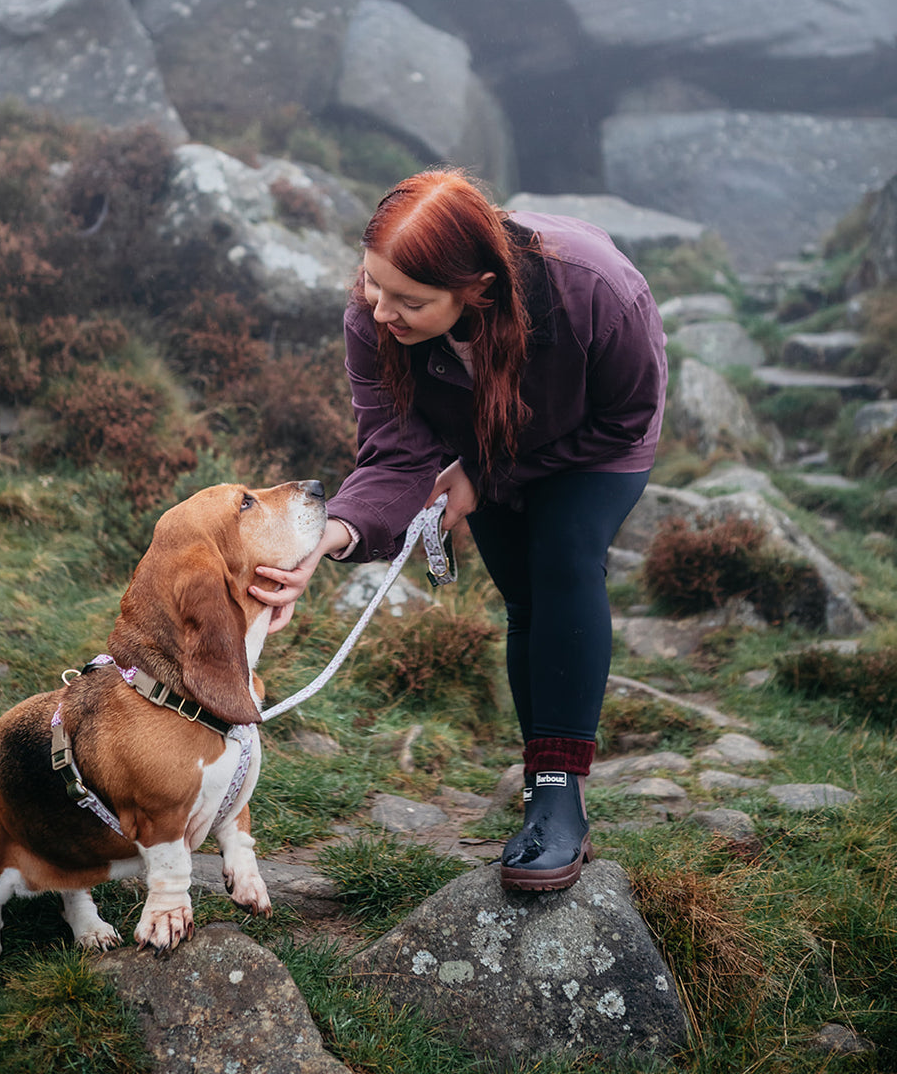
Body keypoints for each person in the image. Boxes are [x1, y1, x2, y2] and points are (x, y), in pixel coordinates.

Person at [249, 169, 667, 892]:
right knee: (526, 602)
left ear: (475, 288)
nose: (381, 312)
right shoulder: (372, 316)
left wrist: (488, 475)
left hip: (595, 445)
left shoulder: (596, 288)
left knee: (565, 559)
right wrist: (331, 535)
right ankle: (543, 790)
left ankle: (560, 793)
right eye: (373, 285)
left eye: (409, 301)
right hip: (480, 445)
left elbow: (624, 416)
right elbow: (393, 449)